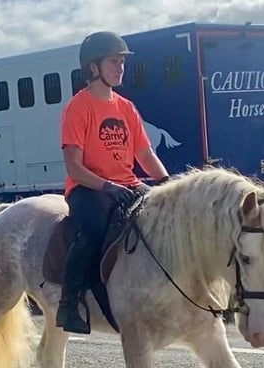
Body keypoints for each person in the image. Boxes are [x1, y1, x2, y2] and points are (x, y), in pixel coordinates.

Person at [56, 31, 170, 334]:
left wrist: (167, 184)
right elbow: (74, 168)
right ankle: (69, 304)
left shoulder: (127, 107)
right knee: (92, 231)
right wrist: (107, 187)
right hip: (88, 188)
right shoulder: (77, 108)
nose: (121, 67)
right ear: (93, 67)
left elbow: (145, 155)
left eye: (122, 62)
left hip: (128, 185)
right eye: (114, 62)